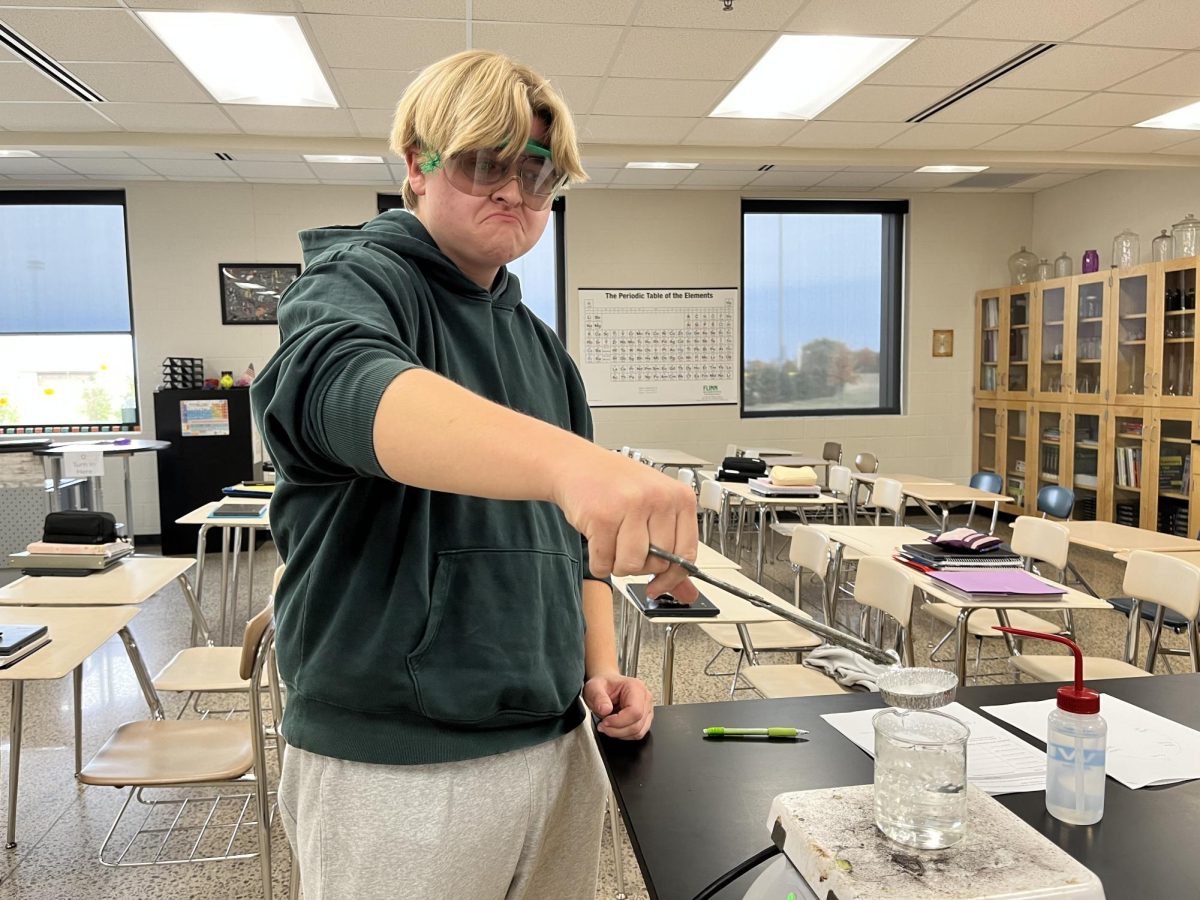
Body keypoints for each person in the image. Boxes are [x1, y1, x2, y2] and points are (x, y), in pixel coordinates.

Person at [251, 49, 699, 899]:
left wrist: (597, 670)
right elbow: (339, 386)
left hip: (556, 738)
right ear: (417, 163)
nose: (512, 192)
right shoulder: (356, 284)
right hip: (399, 762)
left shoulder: (542, 351)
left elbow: (582, 559)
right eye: (483, 162)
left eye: (536, 174)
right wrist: (573, 464)